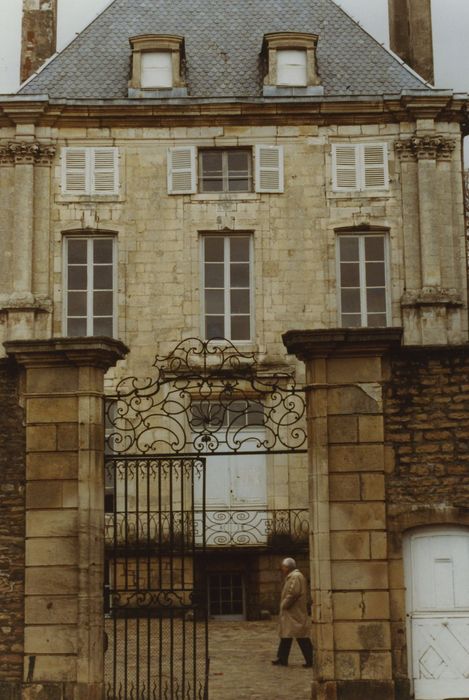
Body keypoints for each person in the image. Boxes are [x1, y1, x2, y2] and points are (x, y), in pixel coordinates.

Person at [272, 557, 313, 668]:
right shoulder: (293, 576)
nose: (282, 569)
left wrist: (284, 604)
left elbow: (293, 593)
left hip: (294, 611)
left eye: (284, 567)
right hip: (292, 612)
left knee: (301, 636)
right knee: (286, 635)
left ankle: (311, 659)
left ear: (288, 567)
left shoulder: (295, 577)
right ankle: (282, 658)